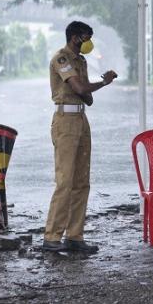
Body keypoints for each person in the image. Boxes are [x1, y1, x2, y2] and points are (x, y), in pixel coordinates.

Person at [42, 21, 117, 254]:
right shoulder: (62, 59)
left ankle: (74, 236)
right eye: (86, 37)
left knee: (81, 181)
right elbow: (79, 87)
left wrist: (93, 86)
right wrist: (103, 82)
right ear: (75, 37)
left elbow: (87, 97)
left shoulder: (81, 61)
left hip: (81, 119)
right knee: (65, 181)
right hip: (65, 120)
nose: (89, 42)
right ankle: (52, 236)